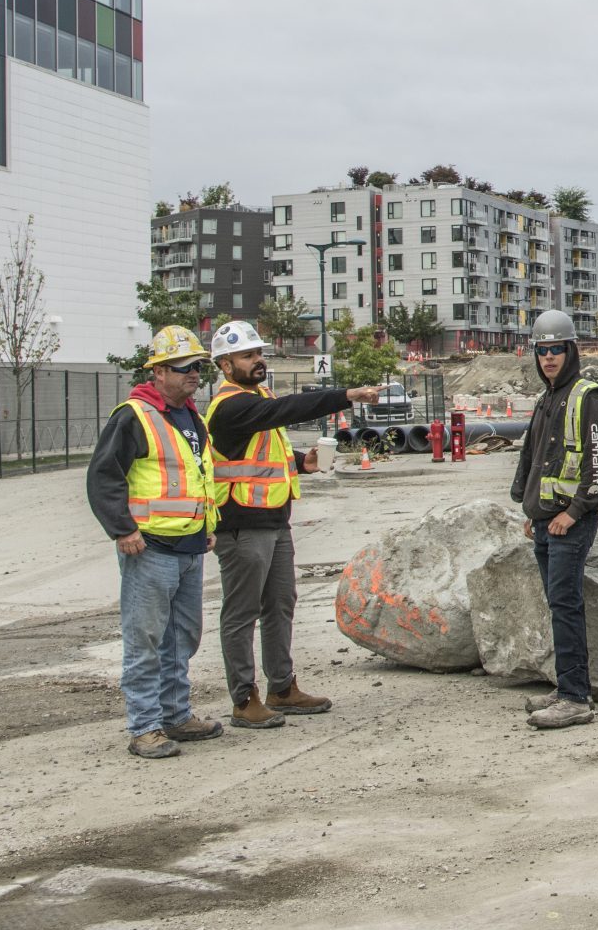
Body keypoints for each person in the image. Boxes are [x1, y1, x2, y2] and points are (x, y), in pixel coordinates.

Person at [202, 320, 381, 729]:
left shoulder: (255, 397)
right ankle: (244, 699)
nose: (258, 360)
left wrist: (302, 462)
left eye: (259, 353)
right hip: (241, 524)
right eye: (248, 356)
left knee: (280, 606)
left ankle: (282, 688)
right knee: (242, 612)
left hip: (273, 521)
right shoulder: (231, 405)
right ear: (226, 365)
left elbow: (264, 450)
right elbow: (285, 410)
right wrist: (347, 395)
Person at [85, 326, 224, 760]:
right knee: (145, 640)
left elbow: (197, 478)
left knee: (182, 637)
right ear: (159, 371)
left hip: (189, 546)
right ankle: (145, 726)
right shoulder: (134, 415)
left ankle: (176, 715)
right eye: (185, 368)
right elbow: (103, 477)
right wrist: (122, 529)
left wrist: (206, 524)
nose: (194, 375)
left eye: (198, 367)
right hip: (150, 549)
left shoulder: (190, 418)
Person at [508, 309, 598, 730]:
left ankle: (575, 696)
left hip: (571, 522)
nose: (549, 357)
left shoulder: (587, 396)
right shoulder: (547, 398)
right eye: (542, 350)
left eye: (556, 349)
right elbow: (535, 458)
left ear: (570, 350)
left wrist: (572, 513)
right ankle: (568, 685)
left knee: (566, 604)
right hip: (546, 520)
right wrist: (531, 509)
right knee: (558, 605)